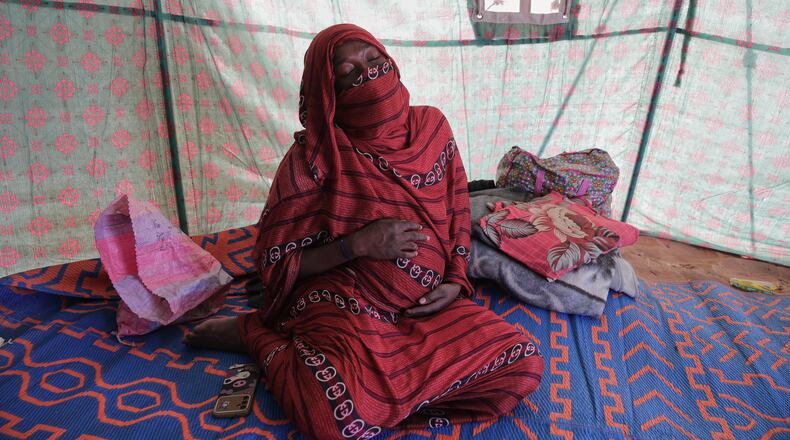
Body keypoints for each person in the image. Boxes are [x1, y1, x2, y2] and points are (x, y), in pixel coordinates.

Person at [185, 24, 542, 439]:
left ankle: (383, 400)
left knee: (521, 363)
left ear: (390, 61)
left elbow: (457, 212)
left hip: (423, 308)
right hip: (343, 301)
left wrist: (454, 280)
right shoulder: (313, 158)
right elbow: (276, 264)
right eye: (347, 71)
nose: (366, 76)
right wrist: (356, 245)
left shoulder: (431, 128)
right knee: (334, 418)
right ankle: (256, 336)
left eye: (373, 61)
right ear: (327, 89)